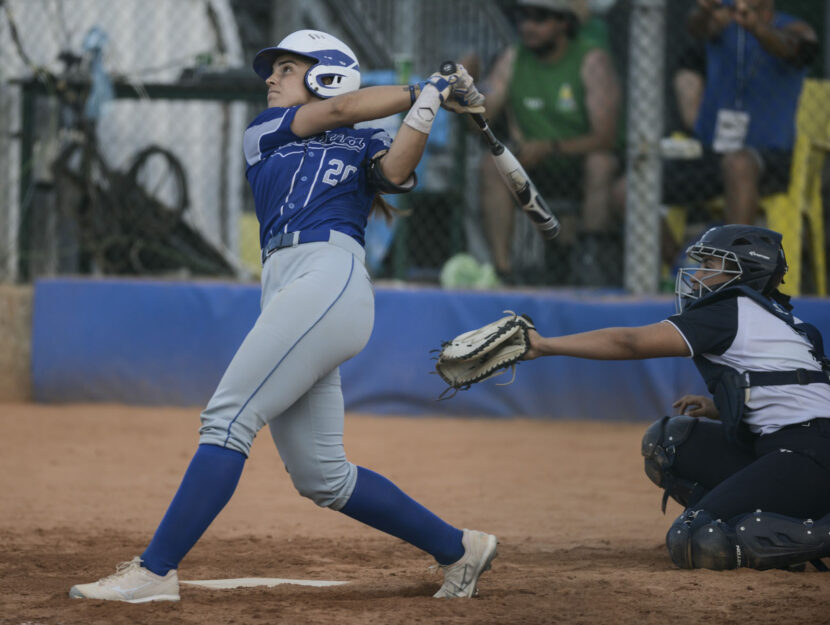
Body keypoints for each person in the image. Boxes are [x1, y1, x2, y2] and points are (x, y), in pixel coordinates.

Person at [68, 30, 498, 603]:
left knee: (226, 419)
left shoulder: (364, 143)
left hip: (329, 276)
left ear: (324, 74)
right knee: (323, 477)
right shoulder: (265, 132)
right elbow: (342, 108)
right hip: (290, 285)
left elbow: (396, 170)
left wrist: (426, 104)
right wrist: (430, 88)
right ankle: (458, 548)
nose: (270, 78)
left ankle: (155, 571)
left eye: (287, 68)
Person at [521, 224, 830, 570]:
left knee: (697, 538)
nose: (697, 274)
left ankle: (814, 532)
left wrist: (543, 345)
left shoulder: (729, 308)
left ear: (746, 272)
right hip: (795, 449)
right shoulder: (796, 325)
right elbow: (798, 391)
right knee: (670, 442)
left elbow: (630, 342)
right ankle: (776, 531)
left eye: (710, 266)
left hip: (808, 456)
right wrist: (719, 407)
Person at [479, 0, 622, 286]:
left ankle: (588, 263)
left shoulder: (591, 60)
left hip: (580, 162)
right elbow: (484, 110)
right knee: (491, 166)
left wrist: (551, 147)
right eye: (523, 16)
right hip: (534, 165)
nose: (527, 26)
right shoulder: (513, 57)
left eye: (540, 17)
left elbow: (606, 137)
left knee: (600, 164)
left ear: (564, 23)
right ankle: (503, 272)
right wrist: (468, 93)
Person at [660, 0, 818, 225]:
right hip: (712, 156)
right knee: (625, 192)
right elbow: (696, 28)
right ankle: (684, 258)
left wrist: (756, 28)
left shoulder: (796, 28)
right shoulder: (722, 25)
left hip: (770, 158)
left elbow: (796, 48)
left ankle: (734, 258)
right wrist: (706, 10)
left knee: (738, 164)